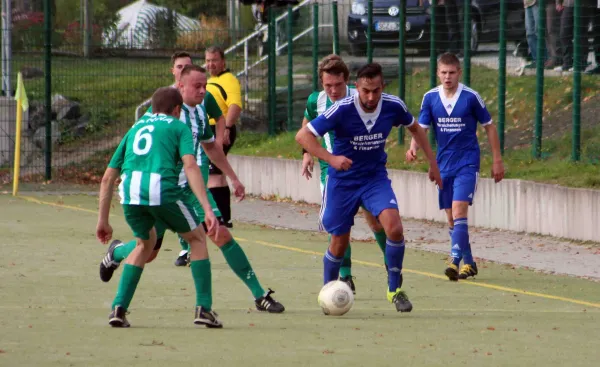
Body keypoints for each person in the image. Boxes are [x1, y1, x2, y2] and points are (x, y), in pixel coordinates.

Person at [99, 65, 285, 313]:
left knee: (219, 234)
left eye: (205, 85)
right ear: (180, 86)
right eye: (197, 86)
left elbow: (210, 148)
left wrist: (233, 178)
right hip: (164, 193)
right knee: (149, 251)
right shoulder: (159, 116)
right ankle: (118, 252)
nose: (203, 91)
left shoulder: (200, 109)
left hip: (191, 191)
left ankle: (259, 295)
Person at [296, 63, 442, 312]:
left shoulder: (393, 105)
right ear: (358, 88)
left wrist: (433, 164)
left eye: (376, 90)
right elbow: (303, 136)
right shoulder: (342, 109)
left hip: (374, 178)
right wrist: (331, 159)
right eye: (366, 91)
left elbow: (415, 129)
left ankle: (394, 289)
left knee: (394, 228)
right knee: (339, 243)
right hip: (342, 181)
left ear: (382, 87)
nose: (371, 97)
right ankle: (328, 291)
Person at [96, 87, 222, 328]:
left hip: (130, 195)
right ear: (177, 110)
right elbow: (190, 166)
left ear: (152, 108)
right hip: (162, 192)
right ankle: (204, 309)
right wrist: (206, 208)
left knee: (145, 244)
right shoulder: (178, 127)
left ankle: (118, 309)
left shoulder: (135, 129)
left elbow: (107, 177)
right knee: (197, 239)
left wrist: (103, 220)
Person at [405, 53, 505, 281]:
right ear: (438, 73)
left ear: (459, 73)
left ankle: (454, 260)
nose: (447, 77)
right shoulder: (430, 98)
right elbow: (422, 127)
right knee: (451, 219)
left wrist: (497, 159)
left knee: (460, 210)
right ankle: (469, 263)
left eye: (452, 73)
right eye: (443, 72)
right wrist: (414, 148)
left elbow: (489, 126)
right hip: (443, 164)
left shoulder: (471, 97)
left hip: (467, 162)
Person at [300, 54, 391, 294]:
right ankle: (345, 276)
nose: (332, 90)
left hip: (365, 171)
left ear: (347, 81)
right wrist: (307, 153)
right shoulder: (316, 100)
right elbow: (308, 124)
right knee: (340, 228)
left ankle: (389, 262)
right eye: (327, 85)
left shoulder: (361, 96)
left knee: (375, 220)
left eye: (337, 85)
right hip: (331, 172)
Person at [205, 46, 243, 229]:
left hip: (220, 128)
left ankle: (220, 218)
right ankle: (223, 218)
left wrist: (226, 128)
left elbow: (235, 105)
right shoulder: (210, 81)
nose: (211, 64)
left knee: (214, 173)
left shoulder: (228, 80)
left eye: (214, 60)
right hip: (209, 129)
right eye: (208, 60)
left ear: (223, 62)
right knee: (215, 172)